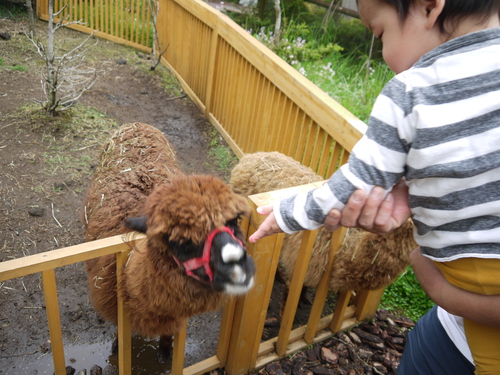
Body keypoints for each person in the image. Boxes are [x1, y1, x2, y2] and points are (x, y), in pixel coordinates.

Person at [248, 1, 500, 373]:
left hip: (472, 277)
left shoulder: (411, 91)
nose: (383, 54)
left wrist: (286, 214)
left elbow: (352, 185)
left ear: (430, 7)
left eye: (380, 33)